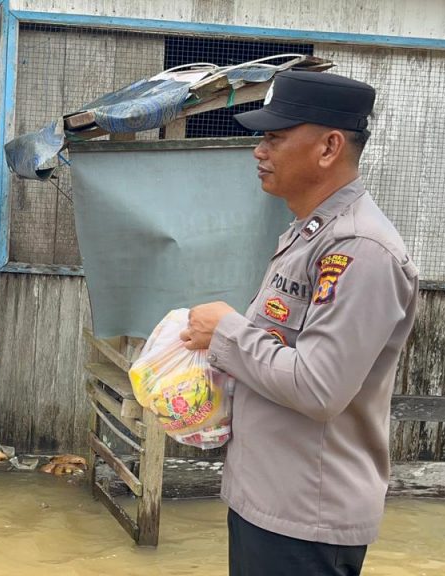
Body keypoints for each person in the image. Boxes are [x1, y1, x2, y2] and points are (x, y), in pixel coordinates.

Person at [179, 71, 419, 576]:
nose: (259, 151)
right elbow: (277, 350)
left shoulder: (361, 249)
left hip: (307, 519)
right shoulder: (308, 234)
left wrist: (226, 331)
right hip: (268, 499)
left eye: (274, 137)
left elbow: (318, 387)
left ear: (329, 147)